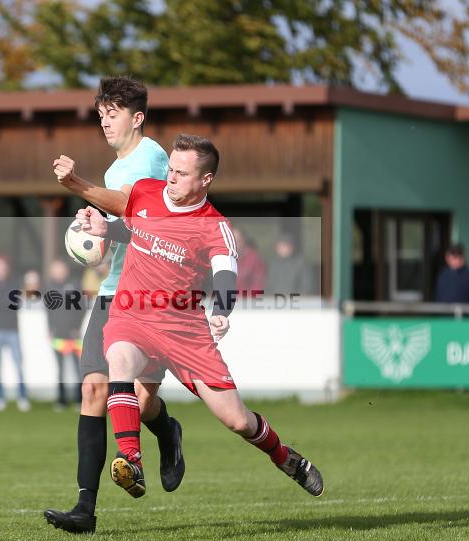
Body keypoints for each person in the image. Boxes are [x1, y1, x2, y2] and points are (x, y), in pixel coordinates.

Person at [64, 133, 323, 504]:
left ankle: (286, 458)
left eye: (182, 173)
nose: (171, 178)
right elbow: (137, 228)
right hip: (133, 315)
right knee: (118, 359)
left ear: (206, 179)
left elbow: (226, 276)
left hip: (184, 331)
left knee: (237, 420)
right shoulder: (145, 191)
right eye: (171, 169)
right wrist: (106, 228)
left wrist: (221, 311)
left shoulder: (214, 227)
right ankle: (131, 460)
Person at [43, 76, 185, 535]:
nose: (105, 121)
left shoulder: (153, 156)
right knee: (93, 390)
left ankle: (167, 430)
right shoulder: (111, 171)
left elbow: (130, 208)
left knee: (141, 402)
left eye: (113, 113)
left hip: (152, 295)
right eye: (101, 113)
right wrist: (90, 226)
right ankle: (85, 508)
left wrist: (77, 185)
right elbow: (114, 233)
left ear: (137, 118)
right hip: (113, 292)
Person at [0, 255, 30, 412]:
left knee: (18, 364)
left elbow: (15, 303)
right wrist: (4, 302)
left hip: (13, 330)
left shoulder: (14, 284)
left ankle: (22, 397)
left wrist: (1, 302)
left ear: (6, 269)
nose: (0, 271)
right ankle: (0, 397)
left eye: (2, 267)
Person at [45, 260, 84, 410]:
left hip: (73, 335)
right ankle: (61, 400)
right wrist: (50, 329)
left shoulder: (75, 285)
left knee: (78, 368)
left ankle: (79, 399)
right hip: (58, 336)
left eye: (61, 270)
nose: (59, 273)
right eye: (56, 270)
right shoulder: (50, 288)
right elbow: (48, 311)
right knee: (60, 369)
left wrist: (77, 327)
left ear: (66, 270)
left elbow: (82, 308)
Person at [232, 226, 266, 296]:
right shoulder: (225, 259)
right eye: (232, 240)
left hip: (247, 300)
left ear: (244, 240)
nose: (235, 243)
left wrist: (249, 298)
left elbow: (258, 283)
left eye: (238, 240)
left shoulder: (254, 258)